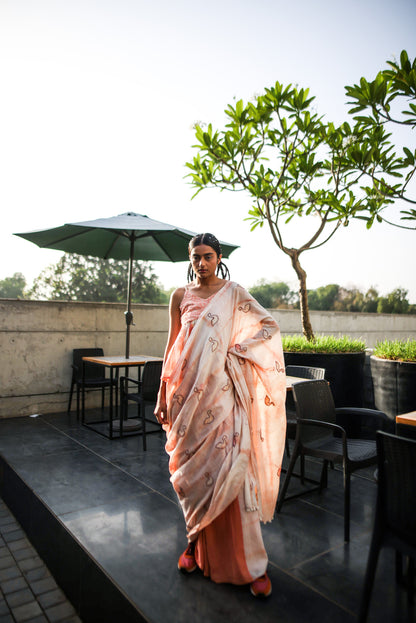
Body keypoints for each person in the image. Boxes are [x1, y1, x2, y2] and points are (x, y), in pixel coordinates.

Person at [154, 233, 286, 598]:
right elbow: (172, 345)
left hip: (222, 398)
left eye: (208, 256)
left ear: (219, 257)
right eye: (196, 257)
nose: (202, 263)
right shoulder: (179, 296)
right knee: (193, 478)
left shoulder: (234, 293)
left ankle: (253, 565)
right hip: (185, 399)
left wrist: (235, 352)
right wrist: (162, 393)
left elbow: (268, 326)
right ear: (190, 259)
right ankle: (194, 546)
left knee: (232, 474)